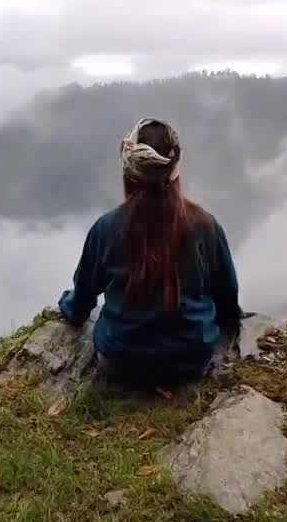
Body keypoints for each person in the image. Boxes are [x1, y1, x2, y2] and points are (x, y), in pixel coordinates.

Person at [58, 117, 241, 386]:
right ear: (175, 166)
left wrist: (68, 305)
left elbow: (82, 301)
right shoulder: (205, 225)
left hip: (121, 362)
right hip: (189, 361)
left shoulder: (106, 228)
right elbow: (227, 295)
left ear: (129, 170)